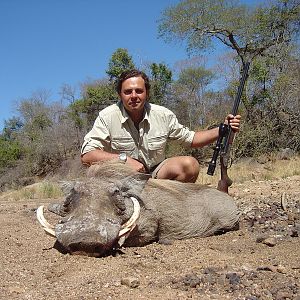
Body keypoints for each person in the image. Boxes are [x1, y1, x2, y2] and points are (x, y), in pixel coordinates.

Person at [81, 69, 241, 183]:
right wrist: (124, 160)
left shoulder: (163, 114)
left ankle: (166, 206)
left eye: (139, 91)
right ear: (120, 95)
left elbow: (192, 139)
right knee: (93, 172)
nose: (134, 96)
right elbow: (87, 155)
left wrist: (222, 128)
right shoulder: (107, 116)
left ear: (147, 93)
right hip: (121, 178)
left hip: (157, 177)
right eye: (128, 92)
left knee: (189, 165)